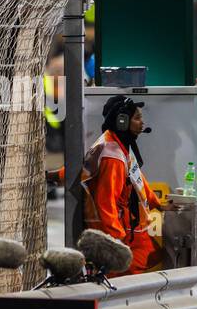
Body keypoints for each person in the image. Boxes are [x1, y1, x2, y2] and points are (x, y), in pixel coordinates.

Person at [55, 94, 177, 277]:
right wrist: (116, 241)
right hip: (121, 235)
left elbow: (137, 179)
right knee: (124, 278)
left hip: (130, 232)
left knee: (147, 263)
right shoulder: (113, 156)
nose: (142, 123)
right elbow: (106, 203)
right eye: (137, 118)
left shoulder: (119, 144)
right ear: (122, 121)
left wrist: (157, 203)